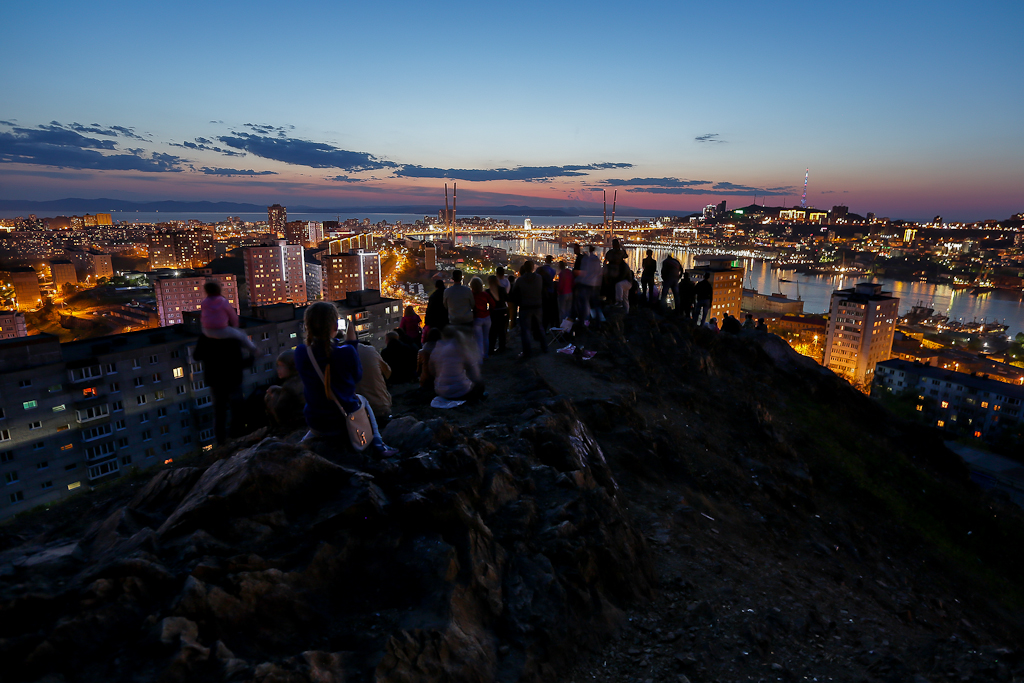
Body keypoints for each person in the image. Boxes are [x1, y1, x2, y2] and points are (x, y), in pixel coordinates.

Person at [294, 301, 395, 456]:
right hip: (343, 423)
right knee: (362, 400)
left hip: (315, 422)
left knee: (320, 407)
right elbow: (356, 377)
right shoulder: (346, 351)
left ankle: (302, 445)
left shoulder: (301, 352)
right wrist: (352, 343)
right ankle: (378, 442)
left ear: (308, 326)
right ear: (335, 326)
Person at [424, 327, 485, 402]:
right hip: (460, 392)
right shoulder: (461, 349)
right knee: (480, 384)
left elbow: (432, 370)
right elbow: (474, 371)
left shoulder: (437, 348)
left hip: (440, 390)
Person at [200, 280, 256, 352]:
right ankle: (254, 350)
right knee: (242, 335)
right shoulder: (223, 301)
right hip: (222, 330)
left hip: (207, 331)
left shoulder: (204, 302)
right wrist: (235, 327)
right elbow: (233, 316)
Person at [510, 260, 547, 357]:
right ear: (533, 268)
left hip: (525, 306)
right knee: (540, 327)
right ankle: (544, 347)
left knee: (525, 330)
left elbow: (514, 292)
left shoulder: (520, 280)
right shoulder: (539, 278)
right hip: (537, 305)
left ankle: (527, 352)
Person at [265, 349, 305, 430]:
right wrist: (280, 389)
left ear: (292, 367)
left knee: (268, 397)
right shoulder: (302, 378)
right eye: (277, 365)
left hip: (296, 422)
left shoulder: (288, 386)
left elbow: (279, 411)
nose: (278, 369)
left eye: (281, 366)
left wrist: (272, 398)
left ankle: (275, 429)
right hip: (305, 417)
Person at [354, 340, 392, 419]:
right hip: (381, 406)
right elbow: (387, 372)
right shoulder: (370, 351)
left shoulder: (337, 355)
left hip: (358, 412)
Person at [575, 245, 604, 323]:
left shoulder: (586, 259)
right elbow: (599, 272)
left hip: (586, 284)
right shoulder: (596, 259)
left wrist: (577, 279)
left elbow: (584, 272)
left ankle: (584, 321)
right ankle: (598, 321)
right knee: (595, 304)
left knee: (584, 304)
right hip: (594, 284)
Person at [470, 276, 494, 359]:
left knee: (479, 339)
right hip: (486, 317)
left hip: (477, 318)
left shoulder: (471, 295)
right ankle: (486, 355)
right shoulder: (485, 294)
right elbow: (493, 304)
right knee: (486, 338)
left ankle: (480, 358)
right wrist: (488, 311)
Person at [487, 275, 509, 354]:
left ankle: (491, 348)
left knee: (493, 331)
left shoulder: (488, 291)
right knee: (502, 330)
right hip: (503, 311)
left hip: (493, 312)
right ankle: (502, 347)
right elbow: (507, 298)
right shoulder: (502, 289)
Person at [539, 255, 558, 328]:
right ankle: (548, 326)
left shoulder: (540, 269)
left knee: (542, 310)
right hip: (550, 291)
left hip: (541, 291)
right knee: (548, 310)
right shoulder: (553, 271)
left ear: (545, 260)